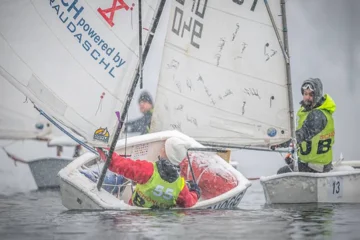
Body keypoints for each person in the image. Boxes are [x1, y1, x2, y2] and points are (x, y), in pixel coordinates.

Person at [108, 137, 201, 209]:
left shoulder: (148, 170)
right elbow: (189, 202)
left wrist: (103, 149)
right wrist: (195, 192)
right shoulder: (180, 186)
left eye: (163, 147)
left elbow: (118, 164)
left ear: (165, 153)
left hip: (135, 217)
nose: (161, 148)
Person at [277, 78, 336, 174]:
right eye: (305, 94)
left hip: (317, 166)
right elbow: (306, 140)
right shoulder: (307, 111)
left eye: (311, 95)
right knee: (289, 163)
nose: (307, 97)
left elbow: (303, 134)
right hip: (310, 163)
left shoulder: (318, 115)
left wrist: (281, 141)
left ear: (317, 96)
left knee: (281, 173)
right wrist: (293, 153)